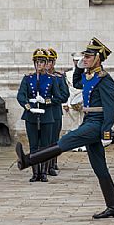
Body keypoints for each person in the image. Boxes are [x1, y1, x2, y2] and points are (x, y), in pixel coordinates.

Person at [16, 37, 114, 219]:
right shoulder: (91, 76)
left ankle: (28, 160)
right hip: (89, 119)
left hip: (96, 123)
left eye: (88, 57)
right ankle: (113, 207)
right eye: (84, 56)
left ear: (98, 58)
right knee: (99, 168)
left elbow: (111, 107)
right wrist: (80, 67)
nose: (85, 59)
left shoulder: (105, 80)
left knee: (67, 140)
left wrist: (106, 131)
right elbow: (77, 82)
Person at [16, 48, 62, 182]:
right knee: (34, 145)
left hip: (46, 115)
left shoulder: (51, 79)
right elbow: (21, 95)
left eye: (42, 62)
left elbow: (58, 97)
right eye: (37, 62)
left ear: (46, 63)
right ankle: (35, 173)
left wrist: (46, 101)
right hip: (31, 115)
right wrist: (28, 105)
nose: (39, 65)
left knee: (46, 145)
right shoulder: (27, 78)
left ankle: (43, 173)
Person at [46, 48, 70, 176]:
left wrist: (50, 100)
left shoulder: (59, 77)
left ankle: (52, 163)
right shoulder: (38, 77)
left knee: (53, 140)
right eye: (46, 61)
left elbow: (65, 95)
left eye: (50, 61)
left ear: (54, 62)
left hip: (54, 112)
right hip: (41, 114)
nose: (47, 64)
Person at [64, 52, 86, 152]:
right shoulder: (68, 73)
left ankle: (83, 144)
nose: (77, 63)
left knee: (84, 124)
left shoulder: (87, 73)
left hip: (84, 101)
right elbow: (66, 89)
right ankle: (74, 144)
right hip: (72, 101)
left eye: (79, 60)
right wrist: (65, 103)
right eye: (75, 60)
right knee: (73, 125)